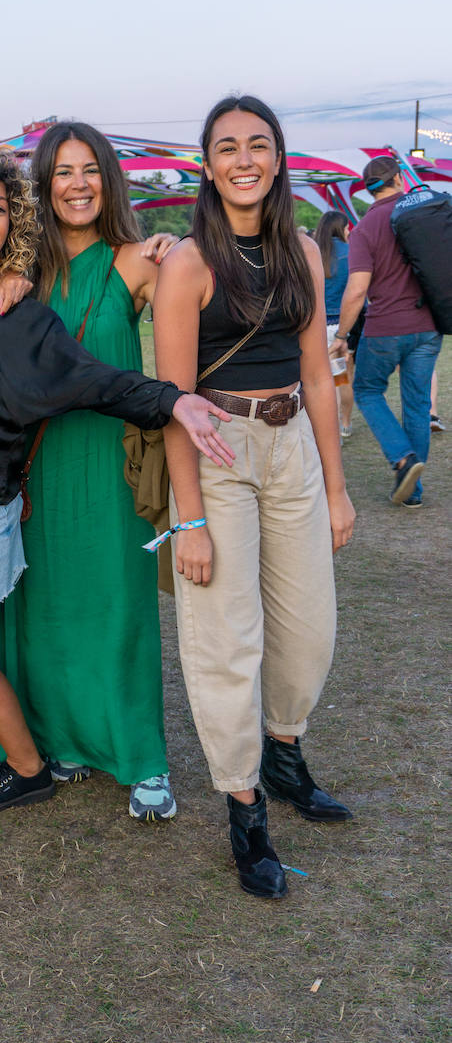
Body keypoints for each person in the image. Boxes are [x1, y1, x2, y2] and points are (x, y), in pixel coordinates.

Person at [0, 147, 235, 853]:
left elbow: (96, 378)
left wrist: (173, 400)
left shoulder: (20, 313)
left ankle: (33, 766)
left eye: (1, 210)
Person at [153, 95, 355, 900]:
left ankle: (285, 747)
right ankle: (245, 806)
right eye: (228, 146)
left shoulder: (303, 249)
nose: (244, 158)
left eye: (259, 145)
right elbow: (174, 401)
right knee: (224, 639)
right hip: (218, 450)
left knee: (310, 626)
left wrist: (337, 489)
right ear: (207, 165)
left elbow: (315, 374)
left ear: (278, 158)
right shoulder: (189, 264)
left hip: (293, 445)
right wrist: (190, 519)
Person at [0, 120, 182, 822]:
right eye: (62, 171)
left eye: (90, 169)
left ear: (108, 179)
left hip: (111, 464)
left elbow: (195, 304)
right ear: (44, 186)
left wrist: (181, 248)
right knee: (43, 609)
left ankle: (143, 758)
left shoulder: (139, 261)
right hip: (36, 468)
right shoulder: (21, 275)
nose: (78, 183)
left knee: (118, 606)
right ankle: (65, 741)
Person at [330, 156, 442, 507]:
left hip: (385, 329)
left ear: (366, 188)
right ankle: (413, 492)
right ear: (398, 178)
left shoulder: (365, 228)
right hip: (428, 327)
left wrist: (341, 336)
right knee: (418, 403)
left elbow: (358, 289)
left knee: (366, 390)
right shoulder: (424, 217)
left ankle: (403, 458)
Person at [312, 208, 354, 438]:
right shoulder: (351, 253)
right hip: (343, 327)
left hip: (318, 327)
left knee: (323, 378)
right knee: (341, 378)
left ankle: (331, 428)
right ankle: (344, 424)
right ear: (341, 228)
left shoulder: (312, 252)